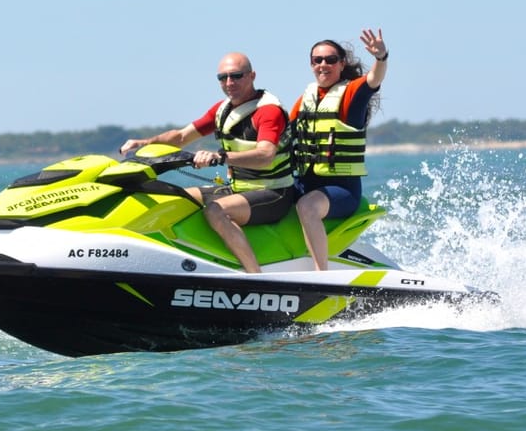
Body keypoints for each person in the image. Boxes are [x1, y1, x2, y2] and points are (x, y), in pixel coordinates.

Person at [119, 52, 294, 273]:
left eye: (236, 76)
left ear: (252, 76)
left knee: (215, 211)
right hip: (237, 189)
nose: (229, 83)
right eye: (222, 78)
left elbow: (266, 154)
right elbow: (181, 137)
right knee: (174, 198)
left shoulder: (268, 111)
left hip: (273, 193)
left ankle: (256, 277)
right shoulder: (222, 110)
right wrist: (144, 142)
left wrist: (219, 157)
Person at [290, 28, 389, 270]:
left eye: (330, 60)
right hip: (303, 183)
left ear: (341, 64)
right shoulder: (307, 98)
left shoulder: (350, 93)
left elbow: (373, 80)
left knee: (307, 207)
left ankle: (321, 275)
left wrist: (381, 57)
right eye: (317, 60)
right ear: (311, 64)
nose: (323, 65)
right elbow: (280, 135)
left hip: (341, 189)